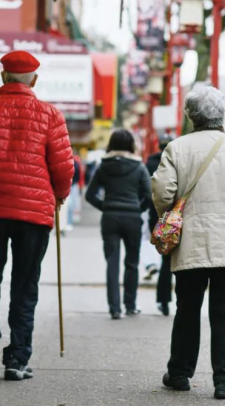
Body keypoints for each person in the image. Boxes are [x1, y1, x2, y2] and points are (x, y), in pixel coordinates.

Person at [0, 50, 74, 381]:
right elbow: (63, 166)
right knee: (25, 283)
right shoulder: (51, 115)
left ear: (4, 77)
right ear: (34, 79)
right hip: (34, 215)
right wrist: (60, 196)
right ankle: (18, 359)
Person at [152, 85, 225, 400]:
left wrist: (170, 216)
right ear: (222, 115)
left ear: (190, 115)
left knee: (187, 308)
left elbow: (163, 192)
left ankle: (179, 372)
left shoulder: (176, 149)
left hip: (191, 240)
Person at [84, 129, 152, 320]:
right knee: (132, 263)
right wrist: (138, 209)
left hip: (110, 218)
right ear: (131, 145)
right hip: (132, 218)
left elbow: (90, 195)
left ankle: (114, 308)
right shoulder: (139, 167)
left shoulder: (103, 166)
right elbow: (149, 195)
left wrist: (105, 206)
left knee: (112, 263)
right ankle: (130, 305)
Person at [146, 134, 174, 316]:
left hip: (155, 216)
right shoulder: (175, 162)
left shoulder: (149, 164)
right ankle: (174, 299)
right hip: (175, 217)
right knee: (174, 261)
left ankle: (163, 300)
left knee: (164, 260)